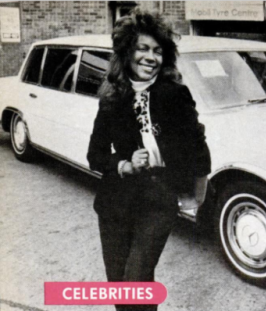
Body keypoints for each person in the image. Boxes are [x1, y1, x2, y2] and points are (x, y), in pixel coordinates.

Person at [87, 8, 211, 311]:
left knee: (136, 279)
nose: (150, 57)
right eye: (142, 48)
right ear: (127, 52)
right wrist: (125, 163)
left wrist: (196, 193)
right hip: (116, 199)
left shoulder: (175, 94)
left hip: (158, 197)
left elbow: (198, 147)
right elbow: (95, 154)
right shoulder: (112, 97)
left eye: (157, 51)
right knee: (119, 286)